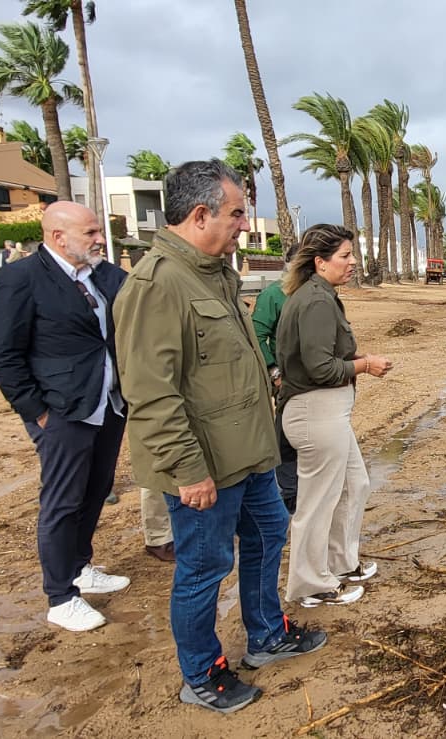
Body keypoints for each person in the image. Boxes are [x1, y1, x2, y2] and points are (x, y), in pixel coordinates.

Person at [115, 160, 325, 714]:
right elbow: (152, 393)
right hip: (205, 465)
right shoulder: (157, 284)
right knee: (205, 566)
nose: (242, 224)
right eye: (236, 213)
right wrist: (188, 472)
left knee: (268, 533)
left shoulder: (213, 274)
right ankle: (202, 673)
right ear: (201, 212)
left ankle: (266, 635)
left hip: (250, 453)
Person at [0, 201, 130, 632]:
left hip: (108, 404)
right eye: (91, 233)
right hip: (62, 410)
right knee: (62, 501)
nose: (100, 240)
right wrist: (37, 412)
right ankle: (60, 595)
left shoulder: (104, 277)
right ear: (57, 236)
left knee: (96, 488)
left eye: (98, 231)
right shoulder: (19, 280)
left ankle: (80, 565)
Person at [277, 223, 392, 608]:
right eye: (345, 256)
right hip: (315, 411)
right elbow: (319, 367)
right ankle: (310, 585)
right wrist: (365, 366)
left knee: (353, 485)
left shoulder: (319, 295)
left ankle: (340, 563)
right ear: (320, 261)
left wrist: (357, 363)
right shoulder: (316, 301)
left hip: (326, 412)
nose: (353, 262)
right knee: (317, 502)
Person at [251, 276, 300, 513]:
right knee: (285, 435)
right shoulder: (273, 295)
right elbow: (257, 335)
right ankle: (290, 492)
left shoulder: (318, 292)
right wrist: (274, 370)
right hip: (286, 381)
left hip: (314, 382)